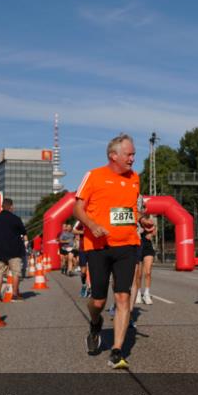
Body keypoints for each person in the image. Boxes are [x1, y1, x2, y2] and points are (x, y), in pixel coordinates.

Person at [73, 133, 145, 369]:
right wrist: (92, 225)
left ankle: (116, 350)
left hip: (127, 245)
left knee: (123, 296)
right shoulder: (94, 176)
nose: (133, 159)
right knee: (98, 301)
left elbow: (132, 209)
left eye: (134, 154)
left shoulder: (135, 178)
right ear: (114, 155)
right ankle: (95, 323)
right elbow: (77, 208)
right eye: (129, 154)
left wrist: (143, 221)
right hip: (98, 247)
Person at [0, 198, 27, 301]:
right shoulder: (16, 219)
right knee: (15, 273)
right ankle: (14, 295)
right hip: (14, 251)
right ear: (11, 207)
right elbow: (23, 231)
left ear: (2, 206)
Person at [135, 214, 157, 305]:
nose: (143, 209)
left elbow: (154, 232)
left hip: (147, 246)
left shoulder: (150, 219)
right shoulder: (135, 217)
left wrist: (151, 233)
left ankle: (146, 294)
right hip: (137, 245)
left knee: (148, 272)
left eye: (144, 208)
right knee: (139, 274)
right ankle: (138, 293)